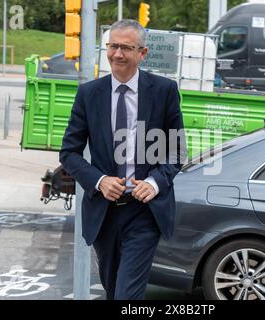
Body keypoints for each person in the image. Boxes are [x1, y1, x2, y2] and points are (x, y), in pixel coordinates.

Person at [59, 19, 186, 300]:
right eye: (113, 46)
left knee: (127, 295)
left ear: (142, 53)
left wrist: (154, 183)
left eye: (126, 48)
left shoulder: (164, 91)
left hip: (144, 211)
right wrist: (100, 181)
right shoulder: (89, 94)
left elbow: (176, 151)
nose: (117, 54)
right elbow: (68, 152)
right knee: (113, 288)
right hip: (104, 212)